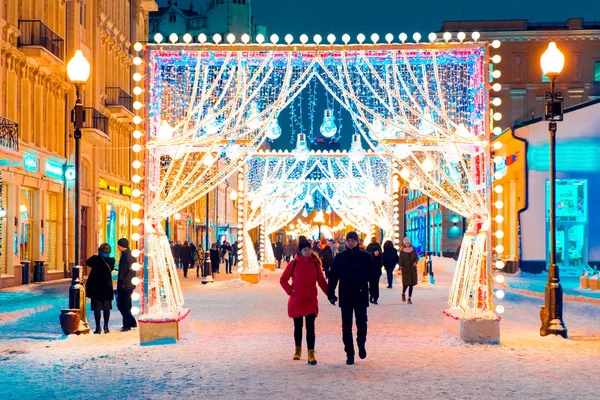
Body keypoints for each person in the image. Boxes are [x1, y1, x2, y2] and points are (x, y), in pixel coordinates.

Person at [327, 231, 379, 365]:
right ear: (346, 242)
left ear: (357, 242)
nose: (350, 243)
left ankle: (361, 343)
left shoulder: (365, 256)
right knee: (346, 326)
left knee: (362, 324)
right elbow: (333, 277)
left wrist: (374, 293)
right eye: (348, 240)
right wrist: (331, 294)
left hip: (361, 294)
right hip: (346, 295)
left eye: (353, 240)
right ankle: (349, 353)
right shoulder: (340, 257)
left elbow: (373, 276)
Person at [280, 240, 328, 365]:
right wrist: (291, 291)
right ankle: (298, 349)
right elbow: (283, 280)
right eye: (305, 249)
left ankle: (311, 353)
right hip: (297, 300)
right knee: (298, 326)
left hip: (311, 299)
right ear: (300, 251)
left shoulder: (315, 264)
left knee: (310, 327)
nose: (307, 251)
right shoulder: (293, 264)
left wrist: (330, 294)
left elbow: (321, 281)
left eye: (309, 249)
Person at [85, 243, 115, 334]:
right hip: (107, 287)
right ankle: (106, 326)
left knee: (97, 308)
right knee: (107, 308)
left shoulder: (95, 259)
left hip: (96, 287)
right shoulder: (111, 261)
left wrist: (96, 255)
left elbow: (87, 262)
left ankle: (98, 327)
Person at [116, 238, 138, 331]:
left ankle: (127, 325)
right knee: (126, 304)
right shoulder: (128, 255)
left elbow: (127, 271)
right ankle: (131, 322)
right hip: (127, 284)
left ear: (121, 246)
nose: (117, 247)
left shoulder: (126, 256)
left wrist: (123, 282)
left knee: (122, 305)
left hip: (125, 285)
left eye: (118, 245)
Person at [399, 237, 419, 304]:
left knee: (411, 284)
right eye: (406, 243)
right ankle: (403, 293)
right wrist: (401, 266)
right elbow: (401, 260)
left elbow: (416, 258)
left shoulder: (412, 250)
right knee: (406, 284)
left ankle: (409, 298)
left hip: (412, 270)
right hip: (406, 270)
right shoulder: (402, 251)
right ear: (404, 244)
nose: (407, 245)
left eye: (408, 243)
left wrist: (415, 262)